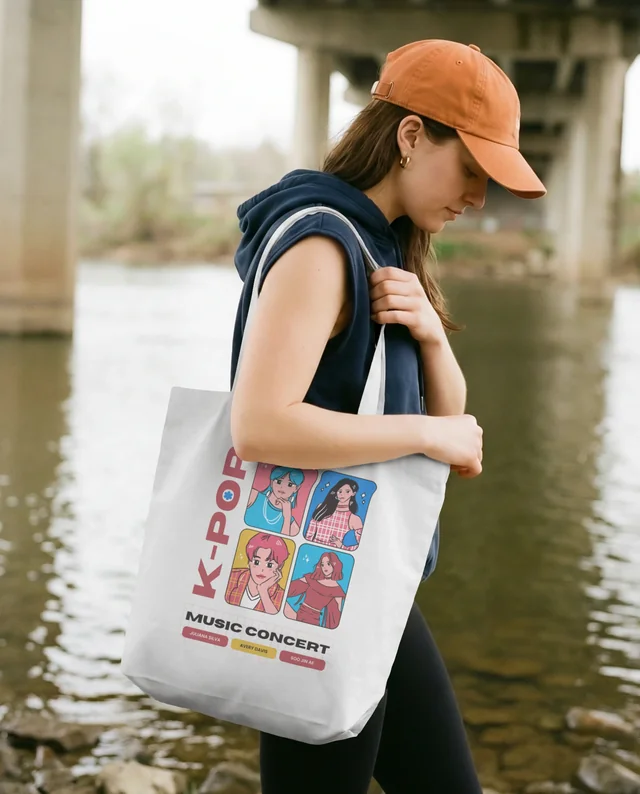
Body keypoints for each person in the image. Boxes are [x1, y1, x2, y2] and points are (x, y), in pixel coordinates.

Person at [230, 39, 545, 794]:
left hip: (361, 580)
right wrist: (427, 435)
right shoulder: (320, 243)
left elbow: (449, 414)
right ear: (409, 136)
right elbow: (260, 425)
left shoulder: (385, 248)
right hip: (311, 586)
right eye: (471, 168)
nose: (478, 197)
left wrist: (432, 336)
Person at [225, 532, 290, 614]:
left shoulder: (280, 595)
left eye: (269, 565)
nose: (261, 570)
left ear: (279, 567)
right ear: (249, 562)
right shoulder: (233, 576)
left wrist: (263, 591)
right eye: (256, 562)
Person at [284, 551, 347, 628]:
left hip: (312, 621)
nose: (325, 567)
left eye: (328, 564)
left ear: (335, 565)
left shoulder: (337, 591)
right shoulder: (312, 579)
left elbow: (334, 618)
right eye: (322, 564)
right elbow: (290, 589)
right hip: (298, 613)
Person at [305, 477, 363, 550]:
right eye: (340, 491)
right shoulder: (322, 507)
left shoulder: (354, 518)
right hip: (311, 549)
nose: (342, 494)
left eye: (347, 491)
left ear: (353, 493)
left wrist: (341, 545)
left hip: (334, 552)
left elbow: (361, 546)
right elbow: (309, 535)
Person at [245, 466, 305, 535]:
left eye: (290, 484)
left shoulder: (292, 526)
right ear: (271, 482)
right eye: (279, 481)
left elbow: (284, 543)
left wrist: (287, 518)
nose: (282, 487)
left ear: (297, 488)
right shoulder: (253, 496)